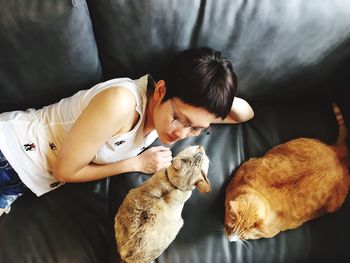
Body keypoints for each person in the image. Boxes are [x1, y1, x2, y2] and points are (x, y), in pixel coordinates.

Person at [0, 47, 254, 216]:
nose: (180, 133)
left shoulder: (177, 114)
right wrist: (136, 163)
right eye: (178, 118)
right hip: (8, 154)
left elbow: (245, 115)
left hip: (20, 180)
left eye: (196, 128)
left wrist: (215, 97)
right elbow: (64, 171)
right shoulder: (120, 103)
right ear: (162, 91)